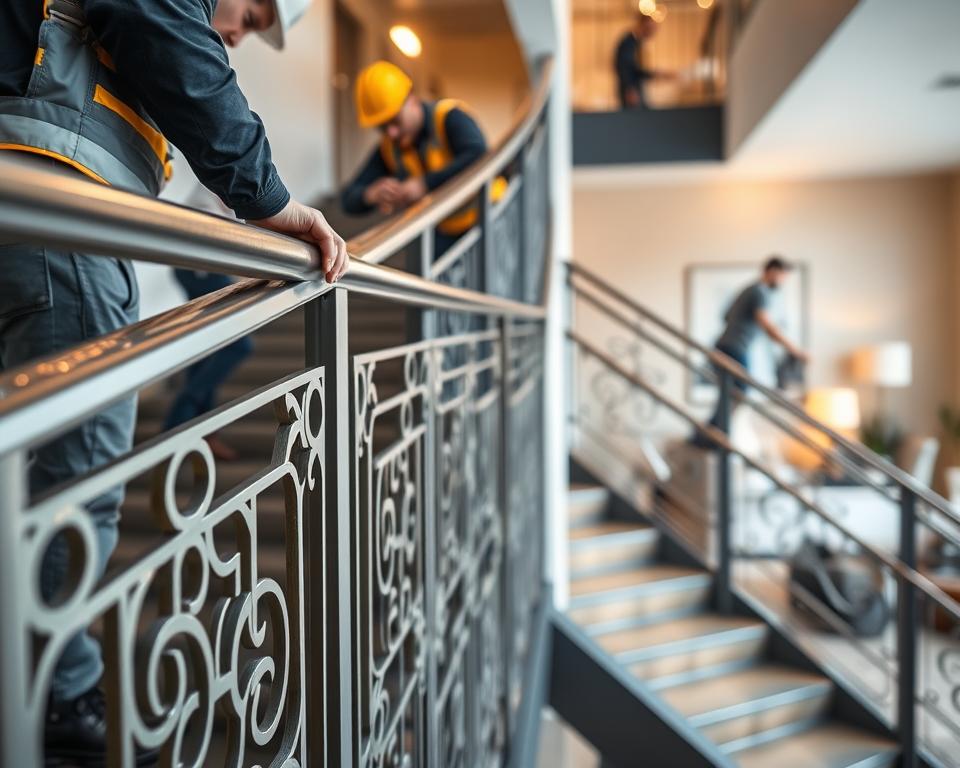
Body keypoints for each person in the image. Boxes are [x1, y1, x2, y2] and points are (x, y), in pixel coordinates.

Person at [0, 0, 347, 763]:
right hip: (59, 211)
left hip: (44, 200)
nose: (240, 35)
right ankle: (60, 702)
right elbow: (156, 20)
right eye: (251, 14)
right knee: (76, 485)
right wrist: (272, 201)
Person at [341, 60, 488, 258]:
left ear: (411, 99)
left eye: (394, 120)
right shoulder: (389, 147)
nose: (391, 133)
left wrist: (424, 184)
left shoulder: (450, 117)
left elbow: (479, 157)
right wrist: (372, 194)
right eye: (382, 127)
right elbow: (348, 198)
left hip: (488, 218)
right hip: (443, 231)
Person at [698, 257, 810, 441]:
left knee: (730, 395)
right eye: (783, 276)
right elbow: (766, 324)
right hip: (734, 349)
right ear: (772, 271)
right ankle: (709, 437)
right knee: (738, 393)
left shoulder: (747, 290)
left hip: (724, 346)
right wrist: (794, 350)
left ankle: (706, 436)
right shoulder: (760, 292)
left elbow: (726, 317)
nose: (783, 282)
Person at [614, 12, 673, 109]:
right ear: (643, 25)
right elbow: (624, 67)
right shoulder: (628, 43)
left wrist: (657, 74)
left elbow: (637, 70)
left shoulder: (636, 43)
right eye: (651, 28)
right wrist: (630, 89)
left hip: (635, 88)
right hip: (632, 90)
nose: (653, 32)